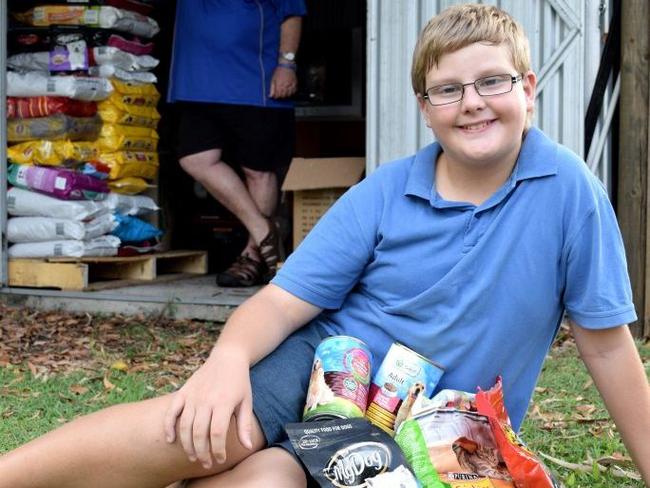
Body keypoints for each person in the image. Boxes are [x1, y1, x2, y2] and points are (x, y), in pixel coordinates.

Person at [1, 4, 649, 487]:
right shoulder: (385, 193)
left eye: (493, 83)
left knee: (274, 480)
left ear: (528, 90)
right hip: (333, 368)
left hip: (442, 425)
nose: (472, 104)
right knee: (206, 428)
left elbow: (608, 346)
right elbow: (282, 304)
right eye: (448, 89)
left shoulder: (569, 192)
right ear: (425, 107)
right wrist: (225, 361)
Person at [168, 0, 306, 287]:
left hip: (254, 80)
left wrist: (286, 64)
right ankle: (264, 230)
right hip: (198, 80)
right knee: (194, 157)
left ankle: (252, 257)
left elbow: (291, 11)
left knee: (258, 170)